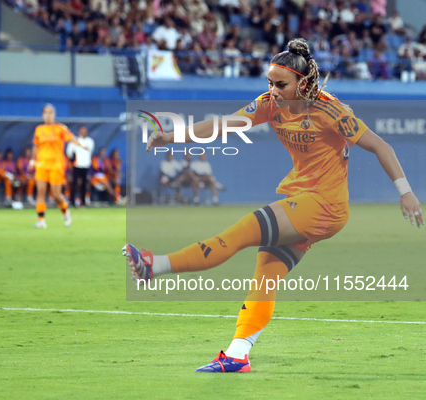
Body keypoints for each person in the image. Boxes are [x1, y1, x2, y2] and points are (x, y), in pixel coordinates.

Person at [124, 38, 424, 373]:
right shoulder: (270, 103)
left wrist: (406, 191)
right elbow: (224, 125)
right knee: (265, 275)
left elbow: (381, 146)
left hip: (324, 205)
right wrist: (172, 136)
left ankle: (155, 266)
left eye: (280, 84)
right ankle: (238, 355)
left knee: (240, 232)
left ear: (304, 83)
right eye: (269, 82)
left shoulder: (331, 111)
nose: (273, 90)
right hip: (305, 202)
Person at [30, 104, 88, 228]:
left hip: (56, 164)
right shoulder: (39, 129)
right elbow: (36, 145)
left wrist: (81, 145)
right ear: (42, 115)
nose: (48, 115)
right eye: (46, 112)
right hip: (42, 163)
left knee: (56, 195)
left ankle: (65, 211)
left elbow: (71, 137)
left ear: (54, 114)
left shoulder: (60, 128)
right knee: (40, 191)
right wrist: (32, 161)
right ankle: (41, 220)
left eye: (51, 112)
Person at [66, 125, 94, 207]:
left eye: (84, 130)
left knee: (84, 184)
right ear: (79, 132)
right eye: (81, 130)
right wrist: (73, 159)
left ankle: (83, 201)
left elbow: (89, 150)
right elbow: (69, 152)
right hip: (76, 165)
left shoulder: (90, 141)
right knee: (74, 183)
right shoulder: (74, 140)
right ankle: (72, 201)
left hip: (85, 165)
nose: (83, 132)